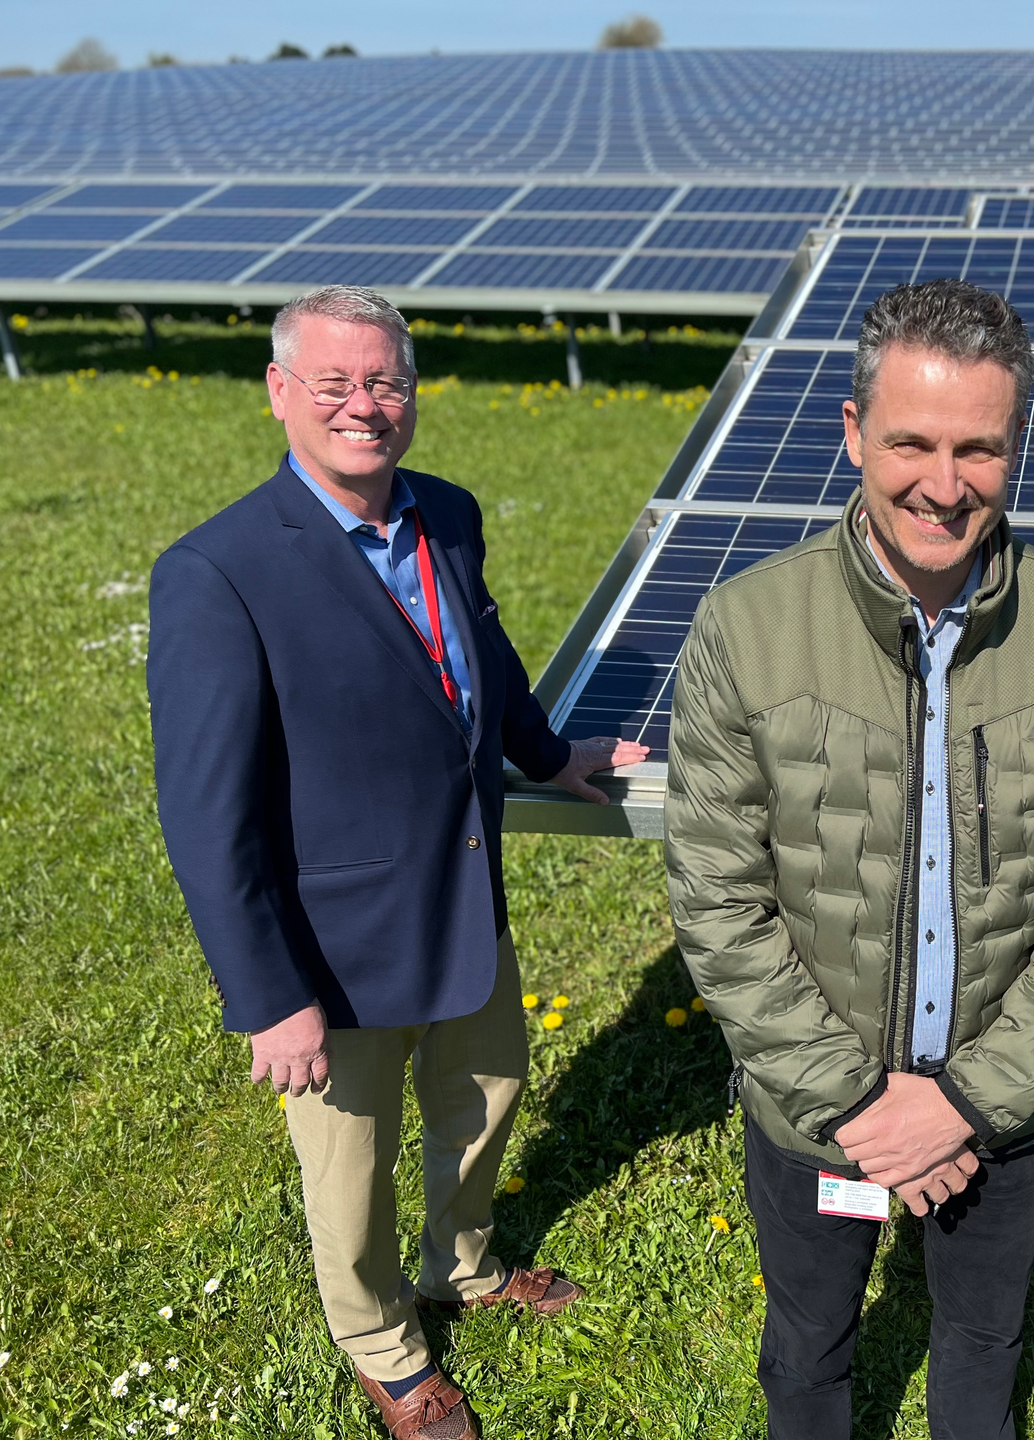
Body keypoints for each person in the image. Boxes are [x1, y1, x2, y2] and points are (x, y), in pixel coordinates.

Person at [664, 277, 1034, 1440]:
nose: (944, 483)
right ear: (853, 433)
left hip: (1004, 1110)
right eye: (911, 443)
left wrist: (970, 1101)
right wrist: (858, 1103)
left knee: (982, 1345)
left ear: (1016, 445)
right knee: (808, 1349)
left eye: (978, 447)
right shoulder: (746, 629)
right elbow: (720, 900)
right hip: (816, 1114)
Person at [147, 285, 645, 1440]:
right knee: (351, 1166)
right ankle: (384, 1346)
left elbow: (482, 657)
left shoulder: (448, 514)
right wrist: (270, 998)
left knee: (489, 1094)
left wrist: (546, 752)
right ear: (279, 393)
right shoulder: (219, 571)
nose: (363, 406)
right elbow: (207, 819)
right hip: (334, 946)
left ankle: (460, 1265)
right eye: (334, 383)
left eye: (385, 382)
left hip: (463, 894)